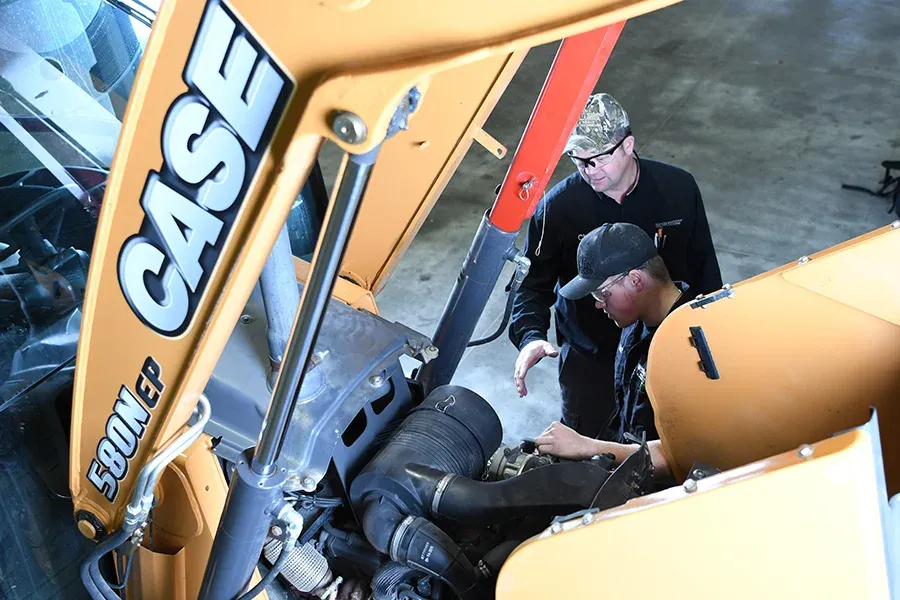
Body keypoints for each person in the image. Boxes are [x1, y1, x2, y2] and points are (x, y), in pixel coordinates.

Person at [509, 93, 722, 438]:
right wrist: (530, 336)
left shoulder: (678, 190)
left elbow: (704, 271)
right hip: (591, 360)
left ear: (628, 146)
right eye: (578, 160)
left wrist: (711, 338)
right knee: (589, 445)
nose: (589, 170)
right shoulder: (557, 208)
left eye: (598, 158)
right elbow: (532, 285)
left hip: (665, 349)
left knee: (664, 441)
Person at [533, 222, 692, 470]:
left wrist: (588, 447)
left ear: (635, 280)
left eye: (602, 293)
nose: (598, 304)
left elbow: (684, 454)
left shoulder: (690, 349)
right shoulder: (635, 323)